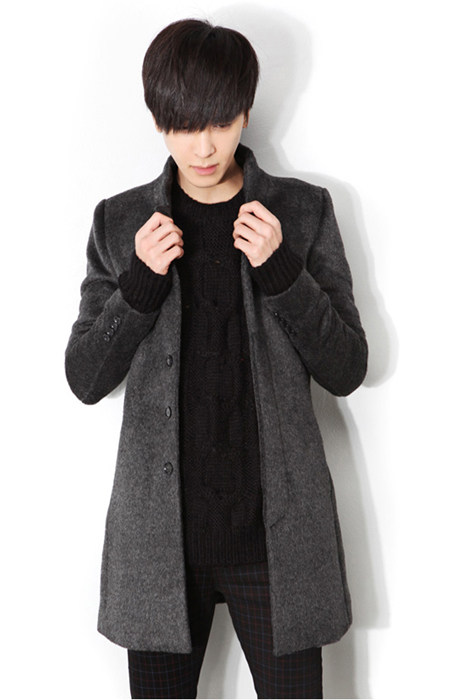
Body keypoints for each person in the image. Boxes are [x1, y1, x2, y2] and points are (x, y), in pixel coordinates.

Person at [64, 18, 368, 699]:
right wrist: (139, 283)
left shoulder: (303, 212)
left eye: (219, 122)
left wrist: (283, 271)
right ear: (157, 120)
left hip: (277, 544)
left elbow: (347, 367)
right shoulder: (120, 223)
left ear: (245, 113)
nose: (202, 146)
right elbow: (84, 377)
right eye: (182, 125)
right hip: (160, 546)